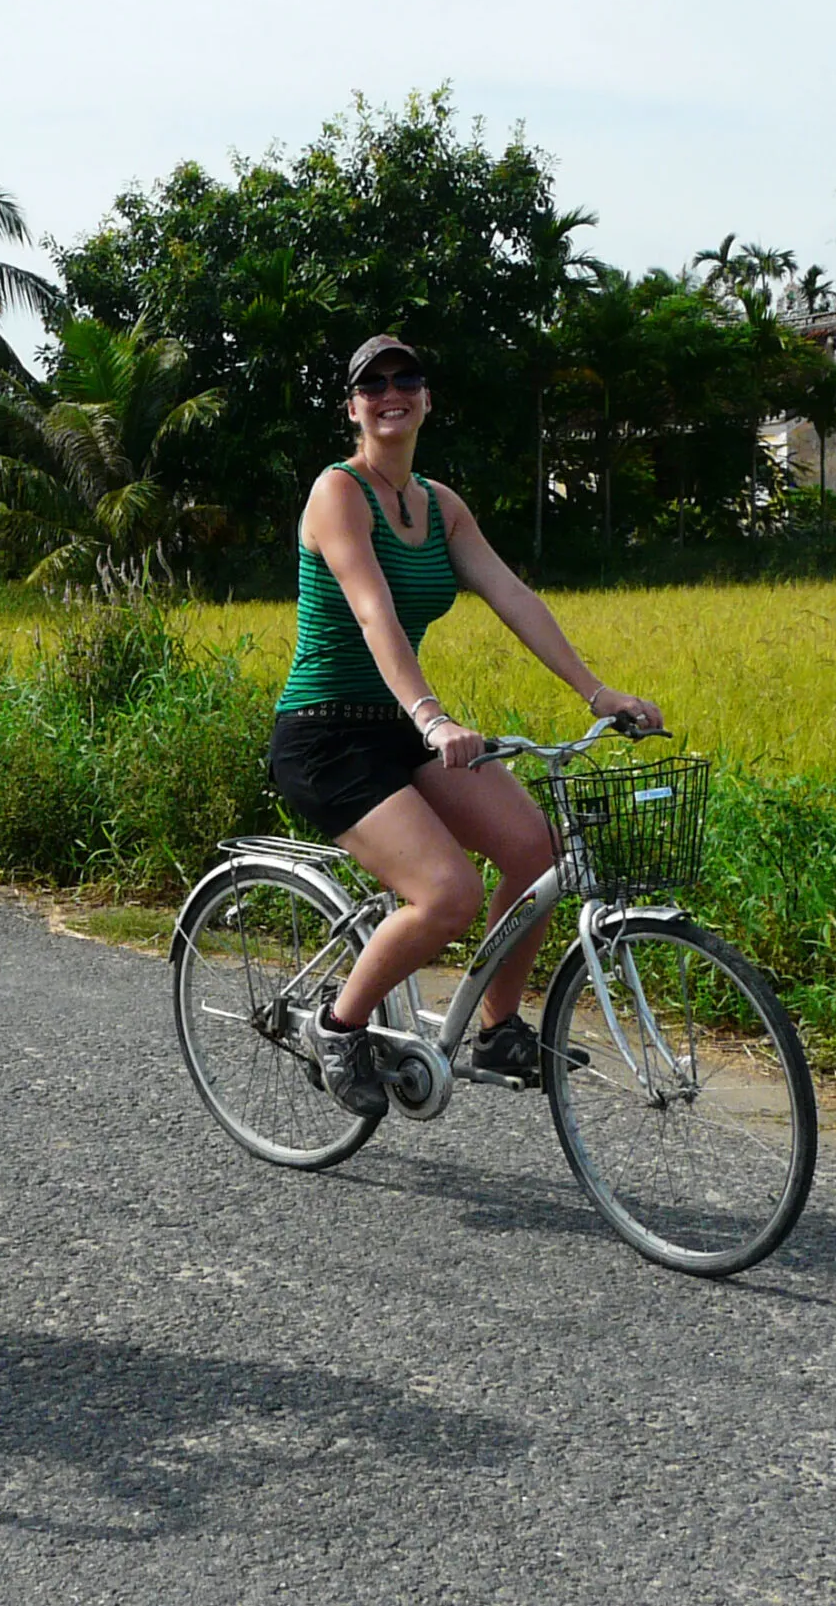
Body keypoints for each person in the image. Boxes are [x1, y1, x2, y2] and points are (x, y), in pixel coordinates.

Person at [270, 335, 662, 1116]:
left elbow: (514, 597)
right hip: (324, 736)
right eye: (372, 383)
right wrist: (432, 714)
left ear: (425, 398)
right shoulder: (337, 493)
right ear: (353, 407)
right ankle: (338, 1025)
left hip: (399, 728)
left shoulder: (441, 505)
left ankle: (498, 1026)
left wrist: (595, 691)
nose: (392, 392)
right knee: (448, 894)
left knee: (533, 847)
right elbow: (372, 610)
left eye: (406, 378)